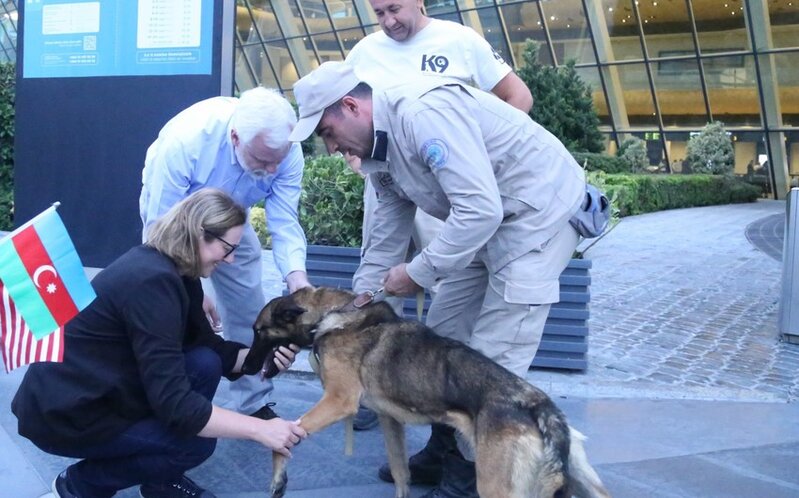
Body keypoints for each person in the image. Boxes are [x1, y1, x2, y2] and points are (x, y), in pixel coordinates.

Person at [288, 61, 586, 498]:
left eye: (328, 133)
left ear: (351, 105)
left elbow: (479, 209)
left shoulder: (421, 114)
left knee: (489, 360)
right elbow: (385, 237)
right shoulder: (377, 152)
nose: (331, 147)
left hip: (535, 218)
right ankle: (445, 451)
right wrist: (356, 307)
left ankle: (469, 479)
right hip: (480, 224)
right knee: (437, 341)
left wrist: (417, 273)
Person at [12, 189, 308, 498]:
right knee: (195, 443)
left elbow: (209, 348)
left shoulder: (176, 271)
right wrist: (261, 429)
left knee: (204, 362)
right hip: (68, 413)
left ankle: (160, 482)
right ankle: (79, 484)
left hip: (105, 389)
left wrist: (259, 360)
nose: (231, 259)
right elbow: (177, 406)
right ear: (198, 234)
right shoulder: (151, 283)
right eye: (228, 248)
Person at [345, 0, 533, 432]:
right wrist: (358, 161)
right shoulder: (364, 53)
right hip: (389, 183)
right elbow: (346, 114)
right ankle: (375, 389)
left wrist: (473, 162)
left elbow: (517, 97)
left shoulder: (460, 41)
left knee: (445, 278)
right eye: (379, 13)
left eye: (394, 9)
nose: (388, 21)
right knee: (379, 275)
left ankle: (448, 409)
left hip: (449, 187)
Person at [139, 87, 312, 421]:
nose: (273, 169)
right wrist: (193, 286)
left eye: (279, 160)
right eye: (263, 161)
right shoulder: (185, 141)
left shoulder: (285, 149)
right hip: (177, 219)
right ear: (235, 137)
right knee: (173, 308)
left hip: (235, 217)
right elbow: (159, 228)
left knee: (250, 305)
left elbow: (284, 220)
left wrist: (296, 277)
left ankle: (253, 399)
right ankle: (169, 396)